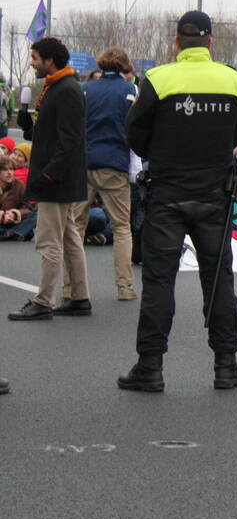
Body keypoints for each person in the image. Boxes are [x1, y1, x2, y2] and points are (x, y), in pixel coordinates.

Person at [117, 10, 237, 392]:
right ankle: (226, 366)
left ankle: (151, 366)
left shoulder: (158, 78)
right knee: (219, 279)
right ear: (211, 43)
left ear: (177, 42)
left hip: (168, 191)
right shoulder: (233, 80)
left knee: (159, 281)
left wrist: (164, 153)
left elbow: (135, 133)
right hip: (214, 192)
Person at [7, 38, 90, 322]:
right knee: (69, 238)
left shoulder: (66, 90)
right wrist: (29, 126)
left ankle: (44, 301)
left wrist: (47, 174)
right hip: (60, 178)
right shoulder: (59, 87)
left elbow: (69, 141)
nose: (32, 62)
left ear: (49, 60)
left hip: (57, 180)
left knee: (49, 241)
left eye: (34, 57)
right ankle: (79, 297)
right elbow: (52, 135)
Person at [74, 48, 138, 300]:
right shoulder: (130, 91)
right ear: (124, 66)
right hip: (115, 161)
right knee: (122, 227)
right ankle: (125, 287)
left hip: (85, 161)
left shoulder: (85, 89)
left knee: (76, 225)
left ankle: (73, 287)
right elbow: (135, 127)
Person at [0, 156, 36, 241]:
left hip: (11, 221)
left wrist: (14, 214)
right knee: (29, 233)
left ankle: (11, 233)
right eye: (5, 170)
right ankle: (17, 232)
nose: (9, 173)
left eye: (11, 169)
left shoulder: (19, 185)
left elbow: (28, 207)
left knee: (35, 216)